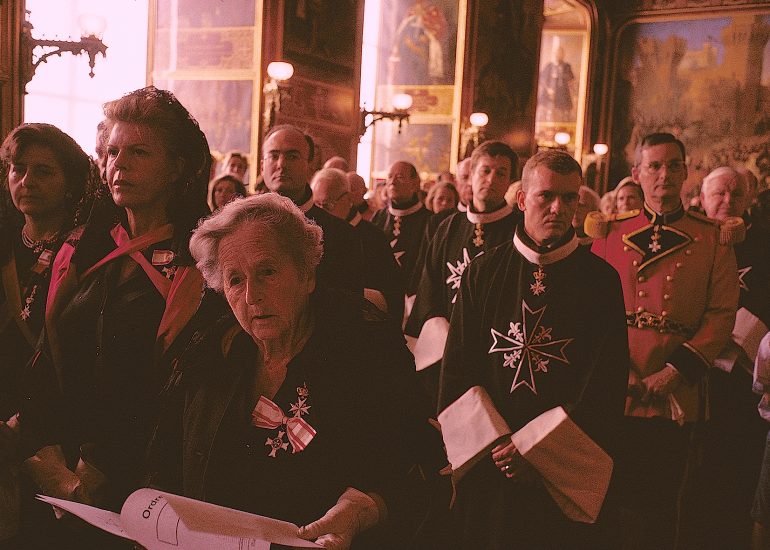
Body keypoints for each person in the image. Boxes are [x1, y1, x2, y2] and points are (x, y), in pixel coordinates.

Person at [148, 193, 447, 549]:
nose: (251, 296)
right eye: (235, 280)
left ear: (307, 275)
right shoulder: (209, 356)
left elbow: (421, 475)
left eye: (267, 272)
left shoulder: (365, 355)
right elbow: (164, 468)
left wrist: (370, 508)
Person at [18, 87, 212, 543]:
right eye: (112, 152)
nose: (118, 164)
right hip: (58, 468)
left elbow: (183, 386)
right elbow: (49, 352)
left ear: (177, 167)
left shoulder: (203, 258)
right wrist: (42, 448)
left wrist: (100, 462)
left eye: (139, 152)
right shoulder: (82, 245)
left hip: (147, 479)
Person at [437, 149, 629, 549]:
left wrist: (537, 453)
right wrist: (498, 446)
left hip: (558, 471)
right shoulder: (483, 272)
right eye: (546, 196)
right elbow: (458, 368)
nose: (558, 208)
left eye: (569, 197)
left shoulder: (601, 281)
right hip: (489, 459)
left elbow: (604, 383)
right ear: (523, 199)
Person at [587, 133, 739, 549]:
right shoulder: (605, 234)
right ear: (637, 174)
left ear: (687, 172)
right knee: (602, 497)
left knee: (657, 502)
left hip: (675, 387)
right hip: (615, 384)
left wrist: (675, 372)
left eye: (674, 165)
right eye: (654, 166)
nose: (664, 175)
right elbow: (590, 312)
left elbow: (721, 314)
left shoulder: (713, 238)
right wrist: (617, 372)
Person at [0, 123, 97, 545]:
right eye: (18, 169)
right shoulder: (5, 243)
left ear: (71, 183)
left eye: (43, 171)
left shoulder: (86, 254)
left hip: (54, 427)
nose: (26, 181)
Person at [407, 140, 522, 407]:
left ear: (510, 181)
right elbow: (429, 287)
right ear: (471, 174)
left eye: (501, 173)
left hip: (496, 349)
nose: (491, 179)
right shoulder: (448, 227)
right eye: (485, 170)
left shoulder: (518, 231)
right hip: (444, 349)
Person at [690, 166, 769, 548]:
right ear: (702, 199)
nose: (727, 201)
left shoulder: (765, 245)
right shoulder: (688, 240)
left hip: (742, 381)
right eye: (718, 193)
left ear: (750, 200)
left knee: (735, 471)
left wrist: (730, 332)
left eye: (736, 194)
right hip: (691, 374)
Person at [261, 124, 363, 295]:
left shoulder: (342, 235)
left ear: (309, 164)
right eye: (273, 156)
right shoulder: (241, 224)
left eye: (292, 156)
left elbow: (348, 307)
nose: (281, 164)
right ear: (262, 165)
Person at [311, 167, 404, 320]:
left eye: (327, 205)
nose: (321, 213)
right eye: (317, 205)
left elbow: (391, 295)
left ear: (348, 199)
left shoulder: (372, 238)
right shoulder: (312, 234)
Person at [371, 161, 431, 304]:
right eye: (390, 176)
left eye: (399, 177)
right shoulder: (379, 217)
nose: (392, 182)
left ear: (415, 184)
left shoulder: (429, 221)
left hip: (413, 298)